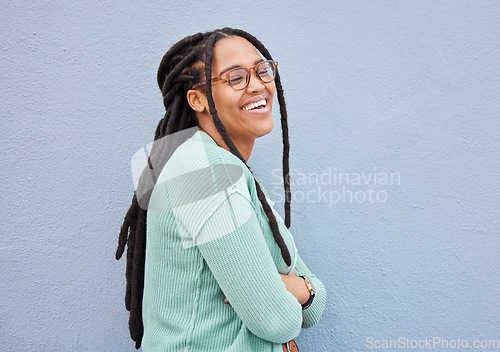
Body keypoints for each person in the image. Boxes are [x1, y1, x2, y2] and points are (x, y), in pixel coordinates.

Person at [116, 27, 326, 351]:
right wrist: (299, 291)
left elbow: (316, 305)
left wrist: (301, 290)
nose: (258, 85)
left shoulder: (234, 173)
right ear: (197, 99)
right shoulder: (206, 172)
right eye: (236, 77)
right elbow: (277, 320)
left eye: (262, 70)